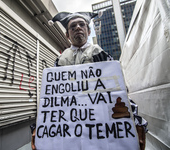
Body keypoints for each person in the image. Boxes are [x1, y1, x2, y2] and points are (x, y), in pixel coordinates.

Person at [31, 11, 148, 150]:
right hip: (69, 124)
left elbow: (118, 91)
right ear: (67, 35)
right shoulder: (60, 61)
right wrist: (39, 127)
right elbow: (53, 98)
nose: (78, 28)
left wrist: (136, 122)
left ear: (89, 30)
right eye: (73, 26)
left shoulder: (99, 54)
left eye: (82, 24)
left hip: (100, 124)